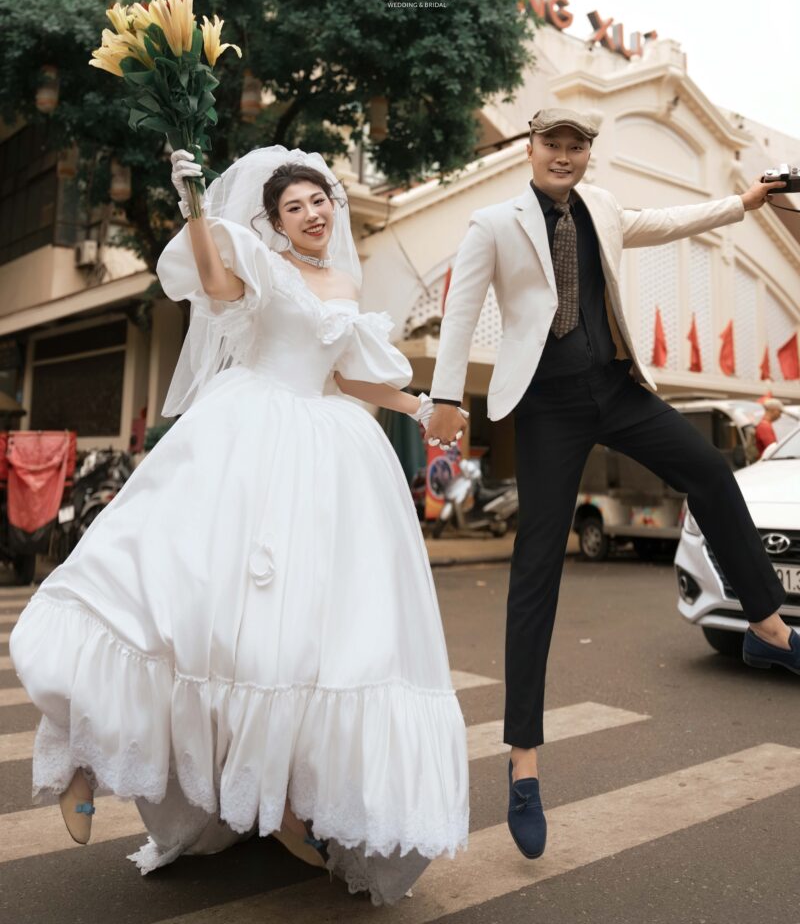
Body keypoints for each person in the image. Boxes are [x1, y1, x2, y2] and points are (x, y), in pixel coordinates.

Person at [10, 145, 469, 906]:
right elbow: (216, 285)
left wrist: (420, 407)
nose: (313, 213)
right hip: (246, 438)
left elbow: (345, 373)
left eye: (320, 200)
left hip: (328, 453)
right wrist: (194, 205)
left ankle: (280, 798)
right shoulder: (259, 262)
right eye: (295, 207)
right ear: (275, 221)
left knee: (303, 637)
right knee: (170, 597)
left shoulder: (347, 280)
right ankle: (82, 756)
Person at [423, 107, 797, 861]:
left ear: (588, 154)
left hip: (616, 388)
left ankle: (766, 623)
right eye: (552, 144)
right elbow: (460, 316)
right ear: (531, 149)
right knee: (536, 571)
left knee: (711, 473)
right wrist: (445, 397)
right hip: (547, 405)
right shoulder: (493, 224)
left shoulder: (601, 208)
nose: (563, 156)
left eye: (576, 146)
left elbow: (669, 222)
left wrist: (745, 202)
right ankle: (523, 764)